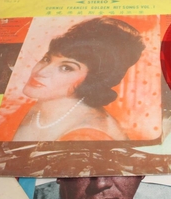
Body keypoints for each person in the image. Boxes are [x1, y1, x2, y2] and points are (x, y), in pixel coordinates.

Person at [9, 17, 146, 142]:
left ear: (92, 80)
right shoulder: (42, 106)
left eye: (66, 68)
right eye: (46, 59)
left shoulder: (87, 134)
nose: (41, 72)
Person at [33, 176, 171, 199]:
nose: (100, 184)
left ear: (142, 172)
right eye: (83, 166)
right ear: (58, 173)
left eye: (118, 167)